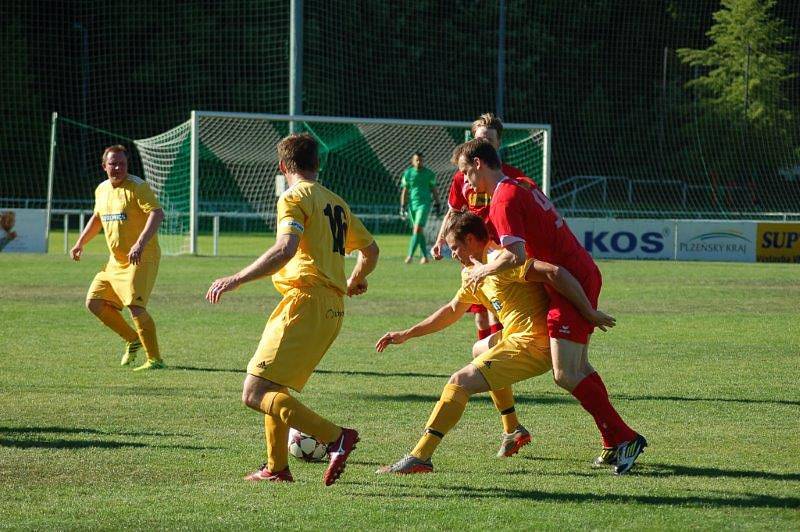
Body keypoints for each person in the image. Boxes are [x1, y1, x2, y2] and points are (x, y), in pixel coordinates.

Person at [455, 139, 647, 475]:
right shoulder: (520, 186)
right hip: (572, 275)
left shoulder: (503, 199)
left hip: (567, 280)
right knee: (579, 368)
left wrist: (484, 268)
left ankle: (627, 438)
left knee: (565, 373)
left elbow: (516, 257)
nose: (466, 181)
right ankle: (613, 442)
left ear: (480, 163)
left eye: (466, 171)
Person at [375, 211, 615, 474]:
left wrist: (588, 312)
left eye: (455, 247)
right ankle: (512, 429)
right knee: (480, 348)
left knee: (460, 381)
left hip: (535, 344)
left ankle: (420, 456)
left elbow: (554, 272)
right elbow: (453, 309)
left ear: (470, 240)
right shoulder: (471, 273)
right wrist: (407, 333)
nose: (452, 254)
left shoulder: (503, 260)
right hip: (515, 337)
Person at [205, 133, 380, 485]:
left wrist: (236, 278)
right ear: (317, 163)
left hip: (305, 302)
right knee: (275, 387)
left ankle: (336, 436)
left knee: (254, 392)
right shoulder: (336, 202)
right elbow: (371, 250)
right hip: (331, 308)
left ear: (283, 166)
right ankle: (277, 468)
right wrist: (356, 279)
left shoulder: (294, 196)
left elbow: (285, 249)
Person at [430, 112, 537, 449]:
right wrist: (441, 238)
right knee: (479, 321)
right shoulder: (463, 178)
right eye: (479, 137)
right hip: (473, 254)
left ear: (497, 144)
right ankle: (512, 425)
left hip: (501, 258)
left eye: (490, 139)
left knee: (493, 327)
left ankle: (495, 375)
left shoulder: (512, 180)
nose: (484, 142)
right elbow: (453, 211)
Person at [70, 145, 165, 371]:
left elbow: (157, 213)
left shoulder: (138, 187)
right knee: (94, 302)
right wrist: (80, 242)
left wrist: (140, 243)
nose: (118, 167)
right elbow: (97, 218)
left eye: (122, 163)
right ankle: (133, 339)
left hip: (142, 257)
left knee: (135, 306)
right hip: (116, 260)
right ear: (104, 166)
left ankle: (155, 360)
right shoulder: (101, 190)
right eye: (113, 163)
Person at [400, 152, 441, 264]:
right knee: (419, 231)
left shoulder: (429, 174)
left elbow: (434, 190)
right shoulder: (408, 174)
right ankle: (425, 257)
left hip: (424, 204)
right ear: (412, 161)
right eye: (417, 160)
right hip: (412, 205)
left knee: (417, 229)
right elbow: (405, 190)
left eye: (421, 160)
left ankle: (410, 256)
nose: (419, 162)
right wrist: (403, 206)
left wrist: (437, 204)